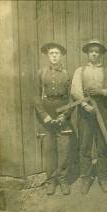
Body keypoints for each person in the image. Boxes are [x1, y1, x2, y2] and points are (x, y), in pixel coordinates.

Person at [71, 39, 107, 194]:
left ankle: (103, 177)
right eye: (91, 51)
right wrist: (85, 105)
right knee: (85, 145)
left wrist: (102, 92)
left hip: (103, 110)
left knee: (102, 145)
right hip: (85, 111)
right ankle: (86, 178)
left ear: (101, 54)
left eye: (97, 51)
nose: (94, 54)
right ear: (87, 53)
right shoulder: (80, 71)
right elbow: (75, 91)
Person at [35, 42, 72, 195]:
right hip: (47, 114)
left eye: (57, 53)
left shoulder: (67, 74)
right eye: (52, 53)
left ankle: (63, 180)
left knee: (64, 149)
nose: (54, 56)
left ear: (61, 56)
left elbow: (71, 97)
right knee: (49, 149)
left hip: (62, 113)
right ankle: (51, 180)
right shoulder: (41, 73)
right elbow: (36, 97)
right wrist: (44, 115)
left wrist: (66, 114)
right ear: (47, 56)